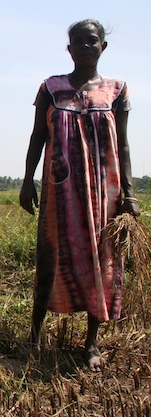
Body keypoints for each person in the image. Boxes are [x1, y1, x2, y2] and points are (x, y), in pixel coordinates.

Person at [19, 19, 140, 371]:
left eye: (93, 41)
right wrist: (27, 180)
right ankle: (34, 337)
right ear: (68, 49)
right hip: (60, 193)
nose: (86, 46)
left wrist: (129, 195)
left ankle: (90, 344)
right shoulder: (51, 88)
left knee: (103, 264)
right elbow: (37, 137)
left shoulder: (117, 90)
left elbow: (125, 145)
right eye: (79, 42)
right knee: (50, 257)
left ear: (103, 46)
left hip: (106, 193)